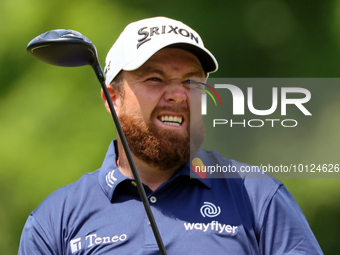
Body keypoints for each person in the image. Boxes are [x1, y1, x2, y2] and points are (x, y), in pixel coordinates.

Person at [18, 17, 323, 255]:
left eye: (192, 82)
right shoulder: (54, 220)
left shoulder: (258, 197)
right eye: (155, 78)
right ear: (112, 98)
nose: (178, 94)